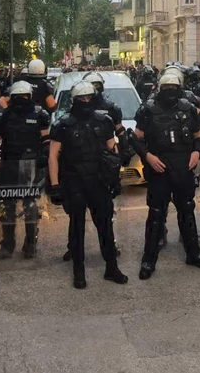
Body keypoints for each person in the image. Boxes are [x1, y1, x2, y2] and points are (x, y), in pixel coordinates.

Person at [48, 81, 128, 289]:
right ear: (74, 100)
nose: (85, 102)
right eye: (81, 99)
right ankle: (79, 271)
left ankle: (111, 267)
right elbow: (53, 156)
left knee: (105, 226)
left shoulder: (104, 121)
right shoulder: (63, 124)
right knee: (77, 227)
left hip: (98, 180)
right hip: (73, 180)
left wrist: (116, 178)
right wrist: (55, 185)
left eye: (89, 98)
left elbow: (113, 152)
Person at [131, 72, 200, 280]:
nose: (170, 91)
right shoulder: (148, 110)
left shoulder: (188, 108)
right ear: (159, 87)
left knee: (187, 211)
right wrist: (148, 157)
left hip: (183, 169)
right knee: (156, 215)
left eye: (173, 87)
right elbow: (136, 139)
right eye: (166, 87)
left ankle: (193, 253)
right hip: (160, 170)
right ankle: (149, 260)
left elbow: (198, 136)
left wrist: (197, 152)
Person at [0, 81, 50, 259]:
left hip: (31, 164)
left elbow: (46, 140)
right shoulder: (3, 117)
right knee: (7, 207)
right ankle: (8, 243)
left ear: (29, 97)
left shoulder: (40, 115)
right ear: (12, 98)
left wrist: (44, 156)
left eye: (24, 97)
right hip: (9, 164)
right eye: (18, 97)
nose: (22, 100)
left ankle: (30, 242)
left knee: (30, 205)